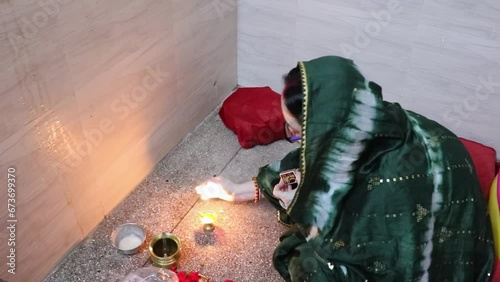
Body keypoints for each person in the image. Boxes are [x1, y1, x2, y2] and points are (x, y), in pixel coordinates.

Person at [195, 56, 495, 281]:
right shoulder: (372, 116)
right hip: (440, 163)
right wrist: (236, 191)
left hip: (430, 255)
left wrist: (300, 211)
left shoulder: (385, 190)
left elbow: (342, 244)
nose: (294, 139)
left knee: (310, 264)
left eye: (298, 131)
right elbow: (306, 161)